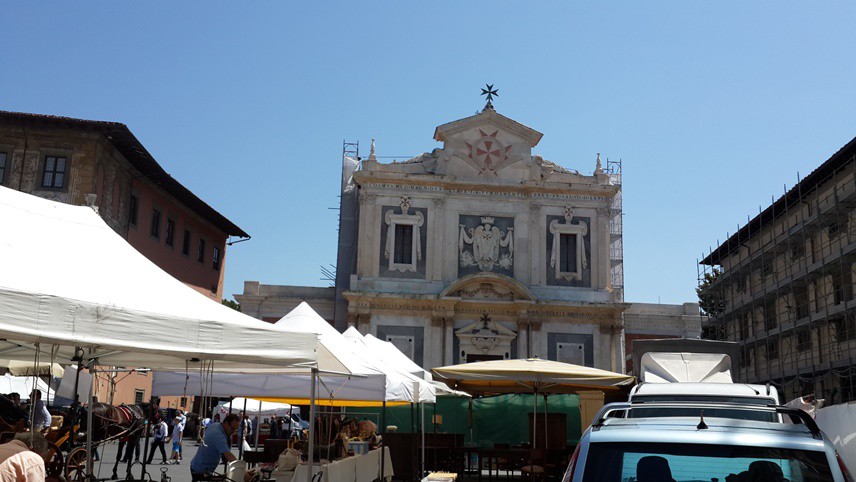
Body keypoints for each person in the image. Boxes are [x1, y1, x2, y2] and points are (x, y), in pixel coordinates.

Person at [190, 413, 239, 482]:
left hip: (200, 467)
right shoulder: (218, 435)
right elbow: (228, 455)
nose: (233, 431)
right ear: (226, 423)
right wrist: (241, 469)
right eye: (233, 428)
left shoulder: (216, 425)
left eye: (236, 429)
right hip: (201, 470)